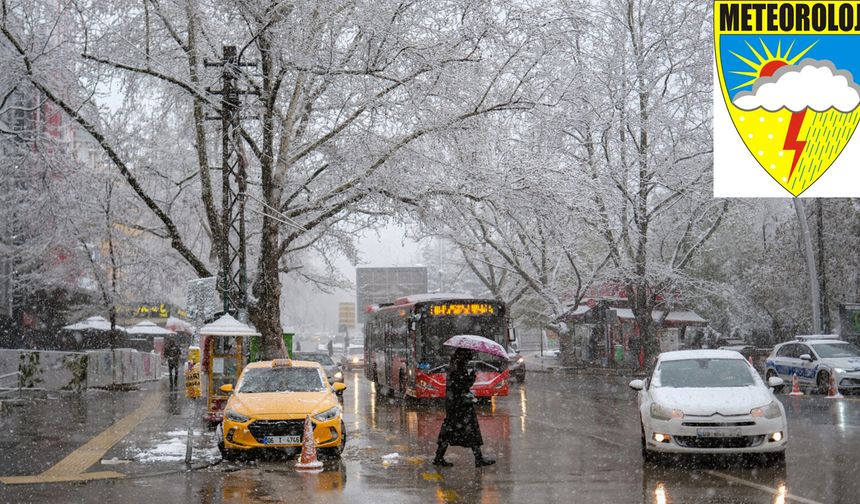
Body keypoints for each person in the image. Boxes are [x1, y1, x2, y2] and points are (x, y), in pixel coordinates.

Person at [433, 348, 495, 468]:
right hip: (461, 405)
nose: (468, 361)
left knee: (450, 430)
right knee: (470, 429)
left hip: (454, 404)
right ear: (464, 357)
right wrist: (472, 377)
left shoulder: (454, 366)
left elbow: (457, 386)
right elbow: (463, 386)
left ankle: (439, 457)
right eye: (468, 358)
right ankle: (478, 458)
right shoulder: (459, 368)